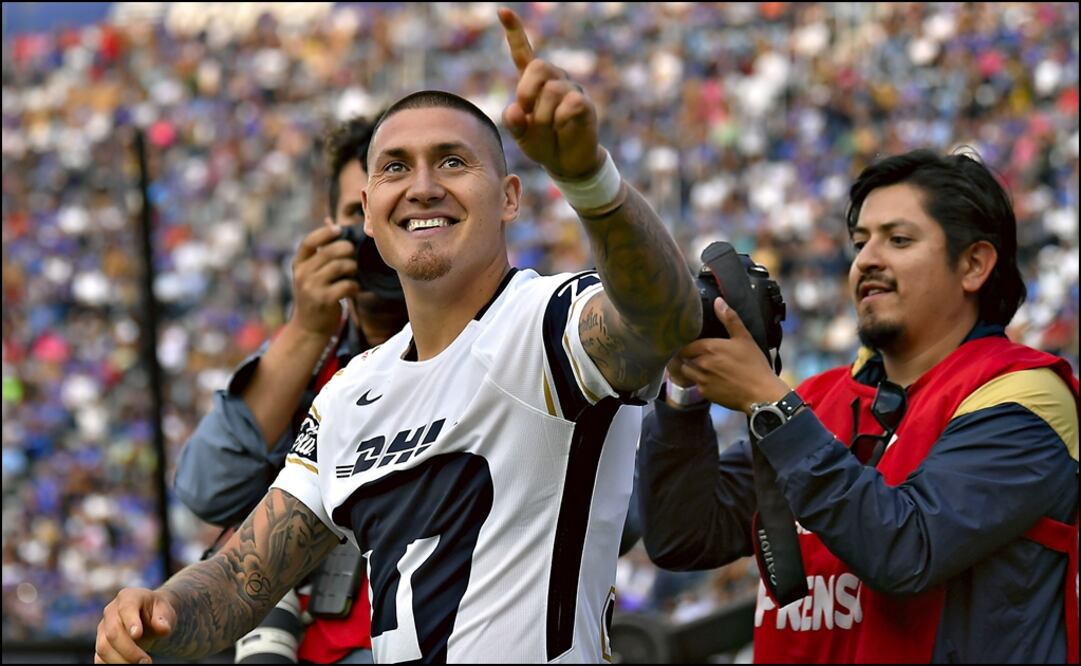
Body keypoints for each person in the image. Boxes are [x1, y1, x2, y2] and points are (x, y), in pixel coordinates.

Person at [94, 7, 701, 664]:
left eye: (451, 161)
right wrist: (158, 613)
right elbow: (241, 579)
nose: (421, 187)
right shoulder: (347, 396)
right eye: (393, 168)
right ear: (369, 222)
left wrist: (590, 179)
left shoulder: (547, 324)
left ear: (509, 197)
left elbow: (663, 317)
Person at [637, 148, 1079, 663]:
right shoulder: (821, 399)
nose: (867, 259)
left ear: (974, 265)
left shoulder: (1025, 395)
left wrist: (769, 402)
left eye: (898, 239)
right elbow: (684, 536)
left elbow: (907, 551)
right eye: (860, 241)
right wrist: (685, 391)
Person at [172, 115, 404, 663]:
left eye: (397, 212)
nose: (377, 235)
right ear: (329, 231)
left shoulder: (501, 346)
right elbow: (208, 488)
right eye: (359, 215)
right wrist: (304, 330)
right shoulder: (311, 357)